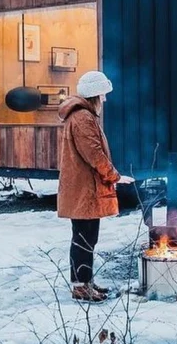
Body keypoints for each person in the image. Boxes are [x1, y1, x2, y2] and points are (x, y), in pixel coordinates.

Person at [57, 70, 133, 302]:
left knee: (86, 238)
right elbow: (95, 155)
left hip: (84, 190)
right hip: (84, 191)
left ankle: (85, 282)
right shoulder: (83, 118)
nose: (105, 100)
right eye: (103, 95)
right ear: (94, 96)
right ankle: (81, 287)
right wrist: (114, 176)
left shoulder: (83, 116)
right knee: (84, 239)